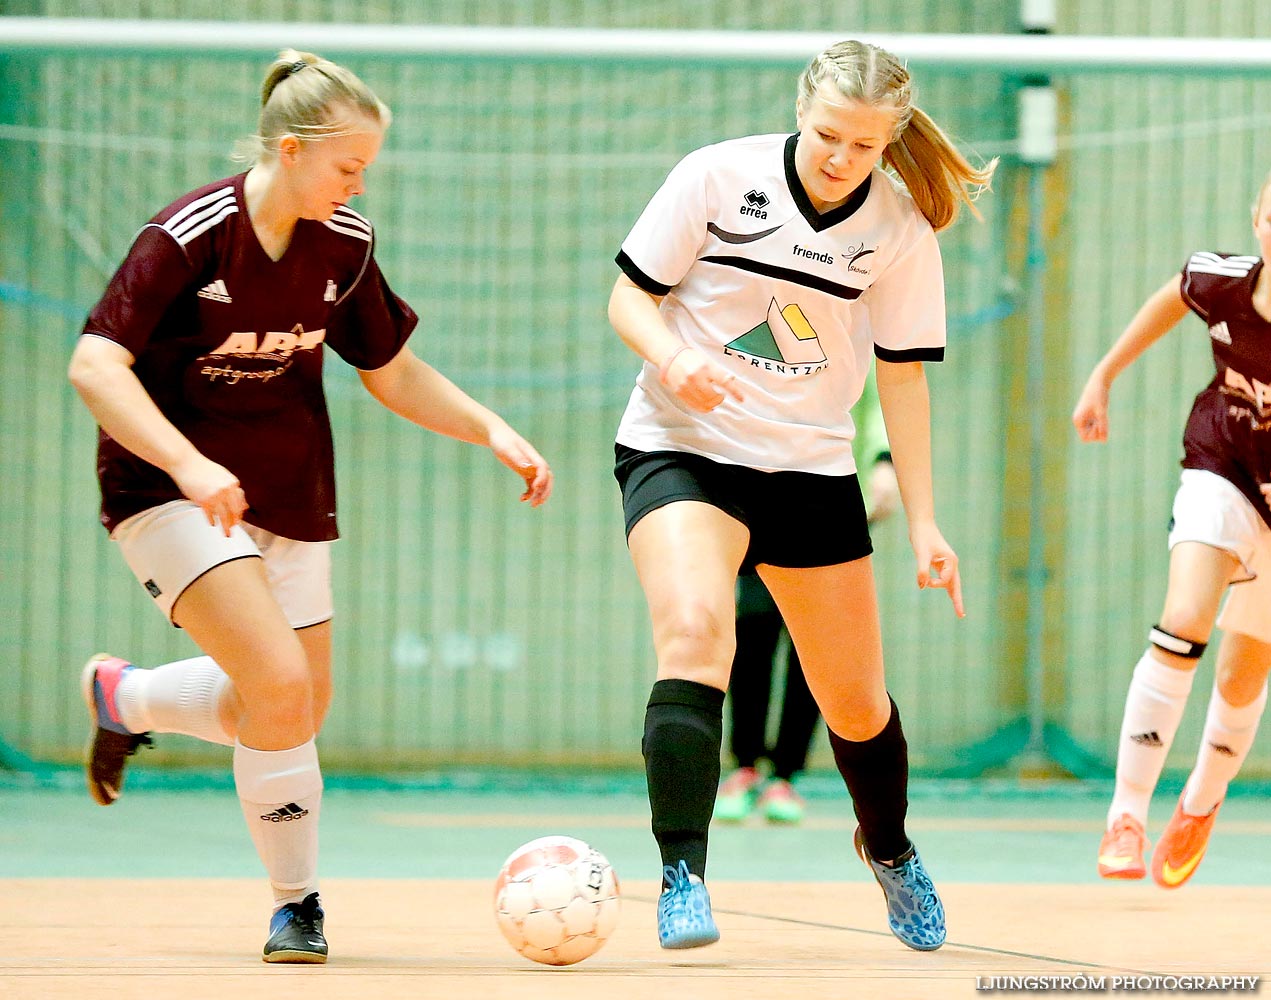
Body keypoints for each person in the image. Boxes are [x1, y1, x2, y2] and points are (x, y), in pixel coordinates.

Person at [68, 50, 552, 964]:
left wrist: (487, 426)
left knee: (295, 704)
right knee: (279, 686)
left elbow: (391, 370)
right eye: (347, 165)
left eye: (366, 166)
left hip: (290, 491)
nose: (358, 181)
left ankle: (124, 696)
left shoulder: (345, 242)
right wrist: (188, 461)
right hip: (169, 490)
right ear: (290, 150)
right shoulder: (187, 237)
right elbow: (96, 364)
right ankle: (297, 905)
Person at [608, 38, 991, 952]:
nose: (838, 158)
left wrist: (926, 523)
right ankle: (681, 876)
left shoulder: (897, 229)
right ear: (800, 108)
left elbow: (902, 379)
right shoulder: (714, 177)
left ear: (888, 140)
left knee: (854, 703)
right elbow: (626, 300)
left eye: (863, 146)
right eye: (826, 136)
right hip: (681, 446)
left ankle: (891, 851)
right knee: (698, 630)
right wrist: (675, 358)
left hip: (811, 469)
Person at [1073, 170, 1271, 890]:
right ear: (1257, 221)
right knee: (1184, 615)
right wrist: (1102, 375)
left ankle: (1201, 802)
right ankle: (1125, 817)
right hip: (1221, 463)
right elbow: (1170, 298)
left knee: (1243, 667)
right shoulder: (1220, 283)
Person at [717, 371, 898, 825]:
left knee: (815, 645)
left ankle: (784, 775)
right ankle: (744, 766)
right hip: (754, 485)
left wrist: (883, 460)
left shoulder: (857, 315)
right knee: (752, 630)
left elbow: (879, 393)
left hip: (827, 490)